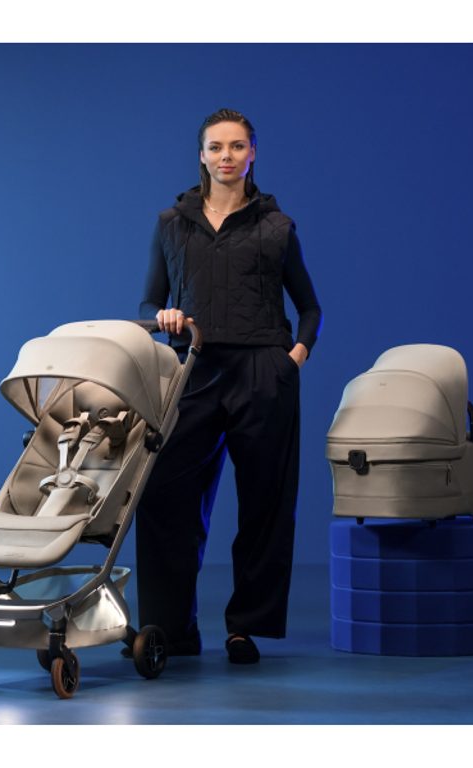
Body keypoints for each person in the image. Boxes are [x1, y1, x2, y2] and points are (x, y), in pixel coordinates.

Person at [135, 108, 322, 664]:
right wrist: (163, 315)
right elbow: (149, 299)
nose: (226, 156)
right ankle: (170, 629)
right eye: (216, 147)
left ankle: (245, 628)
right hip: (192, 371)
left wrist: (292, 359)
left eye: (237, 146)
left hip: (263, 373)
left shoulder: (277, 227)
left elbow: (309, 307)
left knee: (265, 502)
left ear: (252, 154)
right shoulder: (172, 223)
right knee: (164, 497)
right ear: (201, 155)